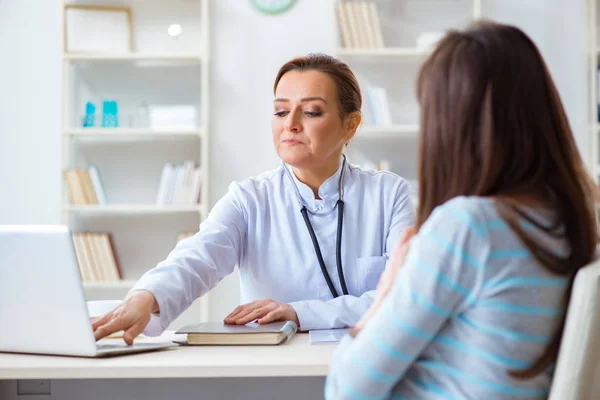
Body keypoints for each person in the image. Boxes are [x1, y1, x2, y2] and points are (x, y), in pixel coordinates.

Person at [324, 21, 598, 400]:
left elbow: (346, 390)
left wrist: (388, 289)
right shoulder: (577, 217)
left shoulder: (470, 228)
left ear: (450, 126)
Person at [92, 53, 415, 344]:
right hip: (274, 369)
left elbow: (402, 294)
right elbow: (198, 256)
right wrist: (145, 297)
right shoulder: (249, 199)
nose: (290, 124)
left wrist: (298, 312)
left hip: (370, 362)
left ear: (350, 125)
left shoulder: (388, 194)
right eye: (280, 111)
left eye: (312, 111)